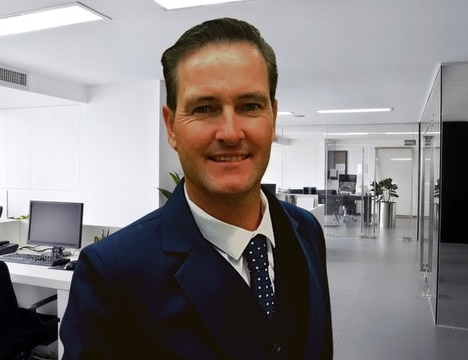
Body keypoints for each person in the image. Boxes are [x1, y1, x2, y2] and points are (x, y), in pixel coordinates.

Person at [60, 17, 333, 359]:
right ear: (171, 126)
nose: (231, 133)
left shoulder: (305, 230)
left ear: (273, 117)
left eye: (250, 106)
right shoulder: (113, 274)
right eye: (205, 109)